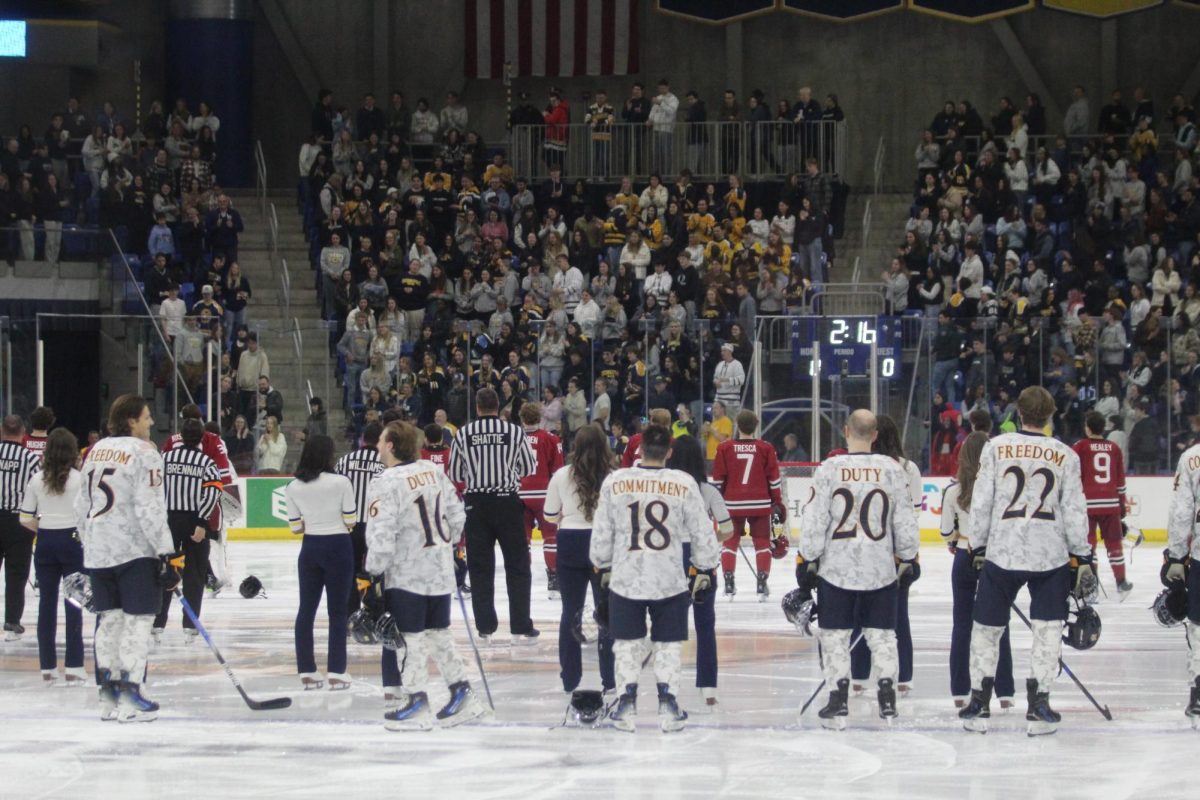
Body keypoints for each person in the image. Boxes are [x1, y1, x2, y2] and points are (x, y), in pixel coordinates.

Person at [959, 386, 1092, 735]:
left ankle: (978, 704)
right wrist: (1082, 554)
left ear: (1018, 413)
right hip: (1050, 555)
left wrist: (978, 545)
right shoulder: (1066, 455)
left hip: (1002, 552)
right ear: (1050, 417)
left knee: (987, 629)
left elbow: (982, 499)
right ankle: (1040, 704)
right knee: (1047, 631)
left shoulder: (996, 447)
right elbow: (1075, 510)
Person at [591, 425, 721, 732]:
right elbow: (703, 534)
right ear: (669, 453)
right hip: (668, 578)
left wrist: (603, 565)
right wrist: (704, 568)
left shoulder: (617, 481)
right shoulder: (683, 482)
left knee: (626, 644)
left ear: (640, 449)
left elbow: (602, 533)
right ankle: (668, 704)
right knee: (668, 644)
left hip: (627, 577)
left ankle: (625, 705)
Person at [797, 409, 919, 728]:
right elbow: (905, 523)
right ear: (875, 434)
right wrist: (908, 557)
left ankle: (838, 697)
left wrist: (807, 558)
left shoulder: (829, 469)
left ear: (846, 431)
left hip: (836, 568)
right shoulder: (893, 470)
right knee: (882, 636)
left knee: (835, 636)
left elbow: (815, 520)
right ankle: (887, 695)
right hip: (879, 568)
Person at [364, 420, 489, 730]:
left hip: (408, 573)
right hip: (440, 570)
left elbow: (382, 532)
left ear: (391, 445)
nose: (377, 447)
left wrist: (373, 572)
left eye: (381, 441)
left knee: (410, 639)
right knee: (439, 633)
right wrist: (449, 547)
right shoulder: (432, 472)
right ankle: (462, 693)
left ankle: (417, 701)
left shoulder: (385, 482)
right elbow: (458, 514)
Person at [75, 395, 176, 722]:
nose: (151, 423)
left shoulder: (96, 450)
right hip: (134, 550)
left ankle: (109, 696)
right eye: (147, 417)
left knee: (110, 622)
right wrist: (165, 553)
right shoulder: (145, 453)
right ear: (131, 420)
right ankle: (133, 693)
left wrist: (90, 542)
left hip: (99, 549)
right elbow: (150, 506)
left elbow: (82, 505)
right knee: (137, 622)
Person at [450, 387, 538, 642]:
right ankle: (521, 625)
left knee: (480, 568)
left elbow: (455, 472)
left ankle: (485, 627)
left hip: (476, 505)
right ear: (498, 407)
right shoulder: (513, 431)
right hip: (507, 502)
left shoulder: (464, 433)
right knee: (518, 565)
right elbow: (528, 467)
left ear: (477, 407)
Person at [847, 415, 922, 695]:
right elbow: (912, 514)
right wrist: (908, 556)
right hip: (896, 555)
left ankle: (858, 675)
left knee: (858, 614)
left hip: (862, 551)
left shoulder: (859, 467)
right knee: (898, 616)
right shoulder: (907, 468)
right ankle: (903, 676)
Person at [941, 432, 1015, 710]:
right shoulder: (999, 488)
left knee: (962, 625)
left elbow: (946, 531)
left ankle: (960, 690)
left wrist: (957, 537)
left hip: (963, 556)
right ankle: (1005, 691)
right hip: (994, 559)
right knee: (999, 626)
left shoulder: (953, 491)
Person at [544, 424, 616, 699]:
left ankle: (570, 678)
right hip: (603, 543)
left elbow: (550, 515)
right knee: (606, 613)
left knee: (570, 612)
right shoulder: (612, 477)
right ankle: (610, 678)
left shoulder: (562, 475)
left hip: (571, 542)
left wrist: (565, 516)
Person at [666, 434, 733, 709]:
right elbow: (727, 529)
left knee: (670, 625)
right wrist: (709, 540)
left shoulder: (664, 490)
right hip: (702, 560)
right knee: (705, 625)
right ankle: (708, 687)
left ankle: (668, 688)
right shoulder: (708, 491)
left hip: (669, 560)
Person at [286, 434, 357, 690]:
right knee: (337, 612)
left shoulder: (293, 486)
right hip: (338, 546)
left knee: (306, 610)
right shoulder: (341, 482)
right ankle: (337, 671)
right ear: (329, 455)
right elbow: (351, 521)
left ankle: (306, 669)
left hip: (310, 547)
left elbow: (295, 527)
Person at [19, 428, 86, 684]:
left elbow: (25, 518)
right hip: (73, 542)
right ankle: (75, 666)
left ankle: (47, 667)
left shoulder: (36, 480)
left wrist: (45, 527)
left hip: (46, 540)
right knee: (74, 605)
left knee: (46, 605)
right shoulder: (80, 480)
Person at [153, 419, 222, 642]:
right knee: (195, 573)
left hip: (168, 521)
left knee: (165, 570)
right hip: (194, 522)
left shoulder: (164, 458)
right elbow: (212, 493)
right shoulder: (206, 462)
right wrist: (202, 522)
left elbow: (153, 489)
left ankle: (157, 623)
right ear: (202, 438)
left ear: (180, 436)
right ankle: (190, 626)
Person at [712, 410, 784, 601]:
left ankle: (728, 581)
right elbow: (774, 479)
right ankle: (761, 582)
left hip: (733, 503)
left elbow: (719, 479)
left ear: (737, 425)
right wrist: (777, 501)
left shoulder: (724, 447)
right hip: (760, 503)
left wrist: (718, 503)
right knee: (762, 543)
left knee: (729, 543)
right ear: (756, 425)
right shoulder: (766, 448)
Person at [1071, 411, 1131, 598]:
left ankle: (1091, 585)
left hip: (1087, 504)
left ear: (1087, 428)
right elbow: (1120, 480)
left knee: (1089, 545)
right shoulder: (1113, 448)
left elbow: (1072, 476)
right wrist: (1121, 506)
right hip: (1111, 503)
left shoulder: (1079, 447)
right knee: (1114, 544)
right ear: (1103, 427)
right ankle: (1121, 581)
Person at [1166, 430, 1200, 724]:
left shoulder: (1191, 458)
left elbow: (1181, 512)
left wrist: (1176, 556)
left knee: (1199, 624)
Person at [0, 414, 42, 641]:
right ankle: (12, 621)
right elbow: (39, 489)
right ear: (23, 432)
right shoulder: (30, 458)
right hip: (19, 521)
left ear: (1, 430)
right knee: (16, 574)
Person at [335, 422, 384, 615]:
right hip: (377, 527)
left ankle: (350, 615)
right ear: (381, 440)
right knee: (377, 572)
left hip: (350, 527)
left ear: (363, 439)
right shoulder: (385, 463)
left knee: (351, 571)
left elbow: (335, 492)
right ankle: (376, 614)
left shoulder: (345, 461)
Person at [517, 403, 564, 598]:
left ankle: (522, 579)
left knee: (523, 540)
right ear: (539, 418)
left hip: (519, 493)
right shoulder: (551, 439)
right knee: (551, 538)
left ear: (522, 419)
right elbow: (558, 471)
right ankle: (553, 579)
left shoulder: (513, 438)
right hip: (544, 494)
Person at [712, 343, 745, 418]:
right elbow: (715, 377)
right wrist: (716, 382)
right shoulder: (720, 364)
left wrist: (727, 380)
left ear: (730, 352)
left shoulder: (737, 364)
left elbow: (741, 380)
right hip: (718, 400)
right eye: (721, 351)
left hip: (731, 403)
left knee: (731, 424)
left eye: (724, 351)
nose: (722, 353)